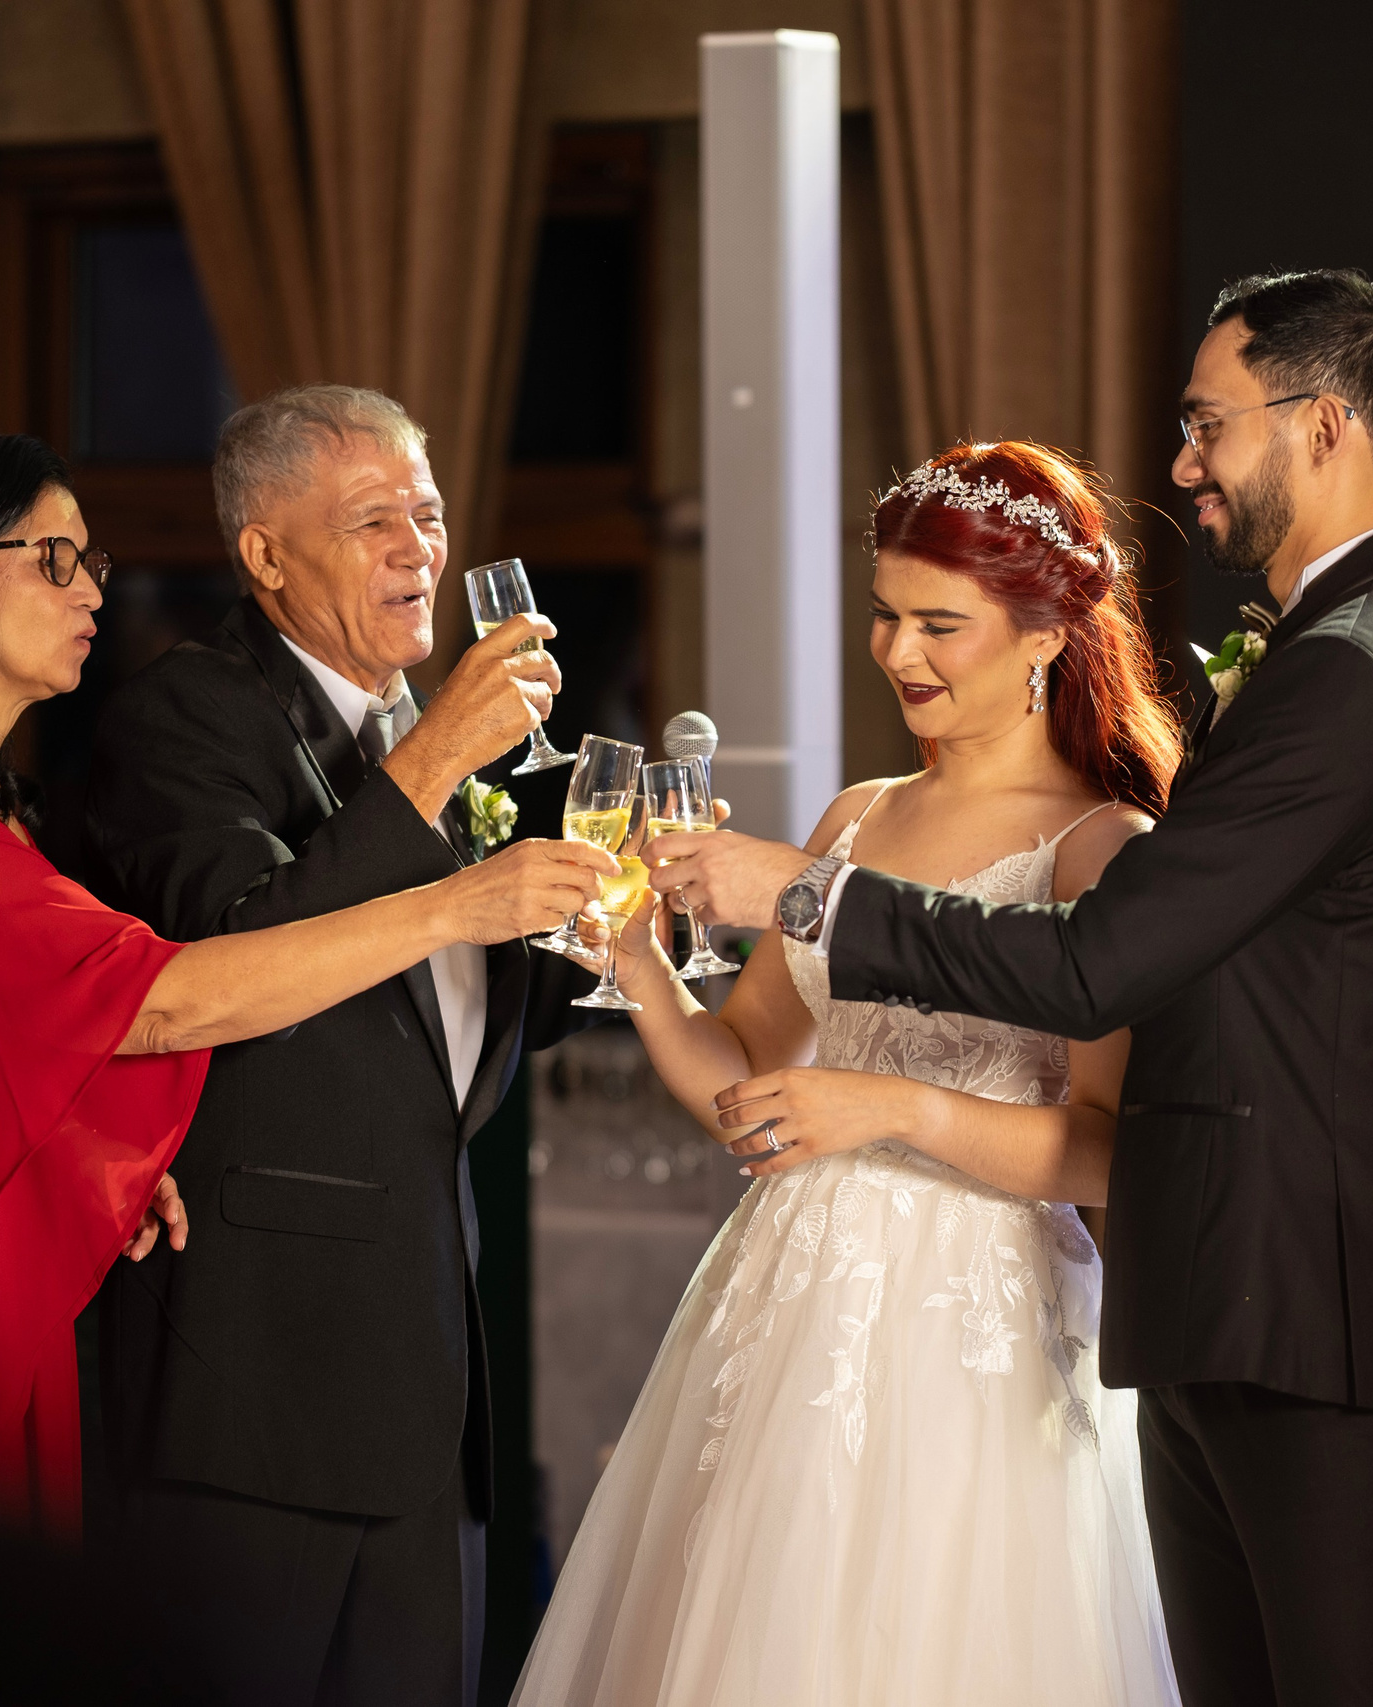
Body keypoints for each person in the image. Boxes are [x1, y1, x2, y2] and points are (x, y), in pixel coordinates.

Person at [656, 270, 1373, 1707]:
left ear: (1327, 423)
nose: (1183, 465)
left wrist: (800, 895)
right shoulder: (1323, 653)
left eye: (1208, 424)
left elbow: (1098, 961)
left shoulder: (1357, 669)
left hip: (1321, 1312)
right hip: (1229, 1304)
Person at [0, 431, 610, 1547]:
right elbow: (168, 999)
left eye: (92, 564)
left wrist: (70, 1153)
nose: (90, 594)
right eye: (54, 559)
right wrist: (455, 906)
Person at [514, 441, 1185, 1707]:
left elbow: (1106, 1148)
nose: (896, 653)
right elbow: (746, 1075)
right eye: (885, 615)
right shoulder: (856, 817)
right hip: (791, 1305)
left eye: (940, 624)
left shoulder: (1105, 848)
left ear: (1044, 635)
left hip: (980, 1329)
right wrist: (640, 964)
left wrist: (889, 1108)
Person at [81, 385, 609, 1707]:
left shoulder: (431, 733)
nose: (419, 548)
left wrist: (616, 927)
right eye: (375, 519)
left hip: (427, 1382)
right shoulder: (187, 718)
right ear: (264, 554)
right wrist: (429, 763)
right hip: (256, 1386)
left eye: (428, 513)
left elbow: (466, 1014)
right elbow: (246, 955)